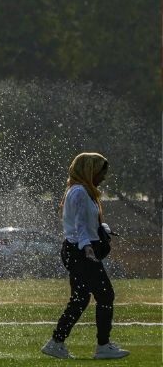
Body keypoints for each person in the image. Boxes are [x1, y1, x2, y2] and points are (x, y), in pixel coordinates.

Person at [41, 152, 129, 360]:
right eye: (101, 172)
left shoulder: (82, 191)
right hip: (80, 252)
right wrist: (88, 248)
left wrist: (103, 229)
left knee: (80, 299)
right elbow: (79, 225)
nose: (103, 177)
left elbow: (86, 223)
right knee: (105, 294)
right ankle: (103, 346)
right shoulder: (80, 192)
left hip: (78, 250)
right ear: (90, 170)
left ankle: (56, 342)